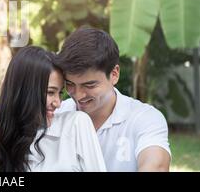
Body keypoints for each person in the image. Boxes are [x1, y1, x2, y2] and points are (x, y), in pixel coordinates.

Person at [54, 27, 171, 172]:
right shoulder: (56, 114)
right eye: (70, 84)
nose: (78, 95)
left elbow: (156, 166)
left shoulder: (144, 118)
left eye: (89, 85)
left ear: (114, 74)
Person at [0, 46, 106, 172]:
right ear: (24, 92)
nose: (58, 103)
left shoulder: (76, 124)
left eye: (60, 93)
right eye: (50, 92)